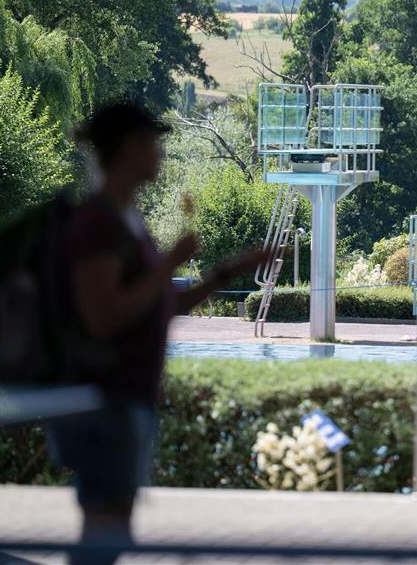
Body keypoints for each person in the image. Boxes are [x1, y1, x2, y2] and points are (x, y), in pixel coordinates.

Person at [46, 102, 272, 564]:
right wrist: (169, 262)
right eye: (153, 143)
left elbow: (160, 306)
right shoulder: (99, 223)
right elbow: (104, 317)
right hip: (105, 401)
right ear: (128, 148)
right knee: (102, 536)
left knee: (109, 532)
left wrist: (228, 271)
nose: (160, 154)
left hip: (127, 397)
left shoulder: (126, 221)